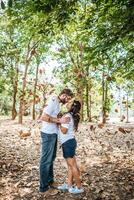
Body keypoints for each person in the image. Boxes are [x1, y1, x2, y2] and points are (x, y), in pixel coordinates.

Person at [39, 89, 74, 196]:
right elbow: (43, 117)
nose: (67, 101)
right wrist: (60, 121)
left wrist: (60, 121)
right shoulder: (53, 99)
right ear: (63, 95)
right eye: (67, 98)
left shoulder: (58, 103)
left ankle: (50, 181)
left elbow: (53, 117)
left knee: (51, 158)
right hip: (48, 133)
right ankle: (44, 188)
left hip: (53, 133)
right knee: (46, 160)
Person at [57, 100, 84, 194]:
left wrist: (59, 123)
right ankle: (69, 184)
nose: (68, 103)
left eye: (70, 103)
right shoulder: (70, 116)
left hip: (68, 143)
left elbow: (64, 131)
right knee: (70, 166)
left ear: (72, 106)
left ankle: (79, 187)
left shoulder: (67, 116)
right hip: (69, 142)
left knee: (73, 166)